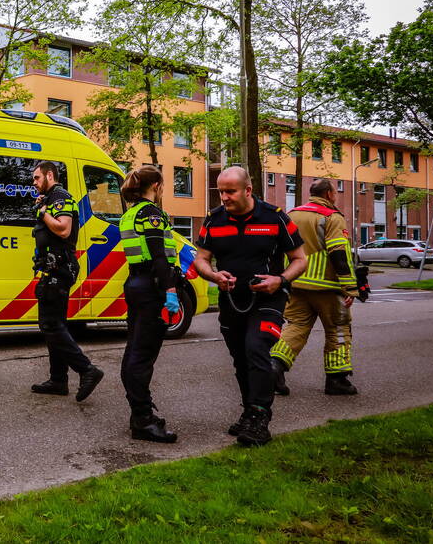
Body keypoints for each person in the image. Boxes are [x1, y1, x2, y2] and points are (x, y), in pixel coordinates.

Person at [192, 166, 307, 447]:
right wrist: (214, 275)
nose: (224, 197)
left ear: (247, 190)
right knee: (240, 359)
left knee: (257, 349)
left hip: (268, 299)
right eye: (221, 191)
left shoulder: (275, 217)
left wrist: (279, 280)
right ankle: (248, 412)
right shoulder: (214, 219)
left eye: (230, 191)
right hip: (232, 300)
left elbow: (300, 259)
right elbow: (201, 259)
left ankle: (260, 417)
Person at [271, 179, 362, 396]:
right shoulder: (332, 217)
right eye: (335, 192)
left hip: (295, 283)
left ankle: (273, 369)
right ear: (330, 194)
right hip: (327, 287)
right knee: (338, 329)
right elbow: (339, 254)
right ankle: (337, 380)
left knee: (295, 327)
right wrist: (350, 288)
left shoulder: (291, 215)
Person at [29, 161, 104, 402]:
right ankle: (58, 380)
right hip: (52, 268)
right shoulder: (51, 198)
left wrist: (43, 212)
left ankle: (87, 370)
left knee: (50, 325)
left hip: (59, 267)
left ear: (50, 175)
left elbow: (63, 229)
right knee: (55, 325)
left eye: (37, 177)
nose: (34, 182)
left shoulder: (61, 197)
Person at [118, 165, 179, 443]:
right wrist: (171, 291)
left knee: (134, 351)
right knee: (143, 356)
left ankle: (138, 413)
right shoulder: (151, 213)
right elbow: (159, 257)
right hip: (151, 286)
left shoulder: (129, 214)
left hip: (135, 284)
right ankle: (143, 420)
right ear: (156, 185)